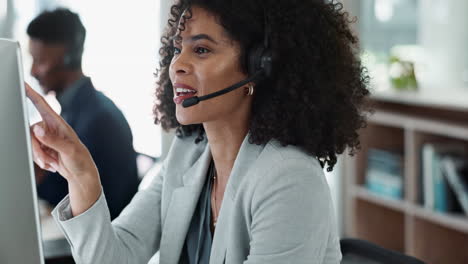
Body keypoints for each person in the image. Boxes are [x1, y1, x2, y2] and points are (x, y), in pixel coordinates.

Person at [26, 0, 370, 263]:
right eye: (179, 49)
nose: (177, 65)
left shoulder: (288, 178)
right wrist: (81, 172)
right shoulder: (189, 152)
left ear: (261, 67)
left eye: (201, 50)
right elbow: (117, 255)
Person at [27, 8, 139, 220]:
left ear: (68, 57)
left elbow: (78, 195)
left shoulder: (99, 119)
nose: (33, 71)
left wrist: (36, 173)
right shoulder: (75, 112)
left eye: (40, 61)